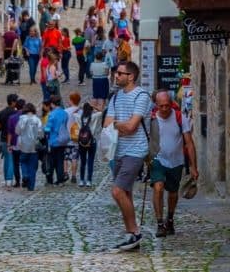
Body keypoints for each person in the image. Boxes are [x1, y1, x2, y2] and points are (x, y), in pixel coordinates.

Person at [103, 60, 154, 251]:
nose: (116, 76)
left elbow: (132, 127)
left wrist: (116, 124)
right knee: (125, 193)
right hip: (119, 150)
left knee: (117, 191)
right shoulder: (116, 97)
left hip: (136, 150)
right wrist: (119, 125)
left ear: (130, 76)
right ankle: (130, 235)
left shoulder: (141, 96)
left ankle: (135, 231)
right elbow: (106, 124)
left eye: (119, 73)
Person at [148, 90, 197, 237]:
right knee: (158, 187)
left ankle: (170, 219)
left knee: (173, 193)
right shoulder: (150, 119)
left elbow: (189, 143)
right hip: (157, 159)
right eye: (161, 106)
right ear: (156, 105)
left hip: (176, 161)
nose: (164, 109)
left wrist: (193, 166)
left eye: (167, 105)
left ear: (171, 104)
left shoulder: (179, 117)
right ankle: (160, 223)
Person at [13, 100, 43, 190]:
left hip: (23, 146)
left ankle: (25, 175)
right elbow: (41, 134)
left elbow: (17, 131)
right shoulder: (37, 120)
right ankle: (31, 186)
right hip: (34, 146)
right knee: (33, 166)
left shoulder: (21, 119)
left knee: (23, 162)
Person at [44, 99, 70, 185]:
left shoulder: (52, 114)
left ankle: (50, 179)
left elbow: (48, 128)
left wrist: (44, 131)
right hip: (62, 140)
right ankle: (60, 179)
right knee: (60, 160)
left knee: (51, 161)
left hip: (53, 140)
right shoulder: (64, 113)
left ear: (52, 104)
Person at [0, 93, 21, 184]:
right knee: (11, 159)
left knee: (6, 159)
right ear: (13, 102)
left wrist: (3, 126)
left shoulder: (2, 112)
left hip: (3, 138)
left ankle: (6, 178)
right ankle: (9, 179)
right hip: (12, 139)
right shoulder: (15, 113)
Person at [76, 100, 100, 186]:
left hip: (81, 142)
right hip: (91, 141)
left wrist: (80, 107)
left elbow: (74, 113)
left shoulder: (79, 117)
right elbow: (101, 111)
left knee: (82, 161)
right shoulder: (94, 117)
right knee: (90, 161)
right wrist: (94, 106)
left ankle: (82, 180)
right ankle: (89, 180)